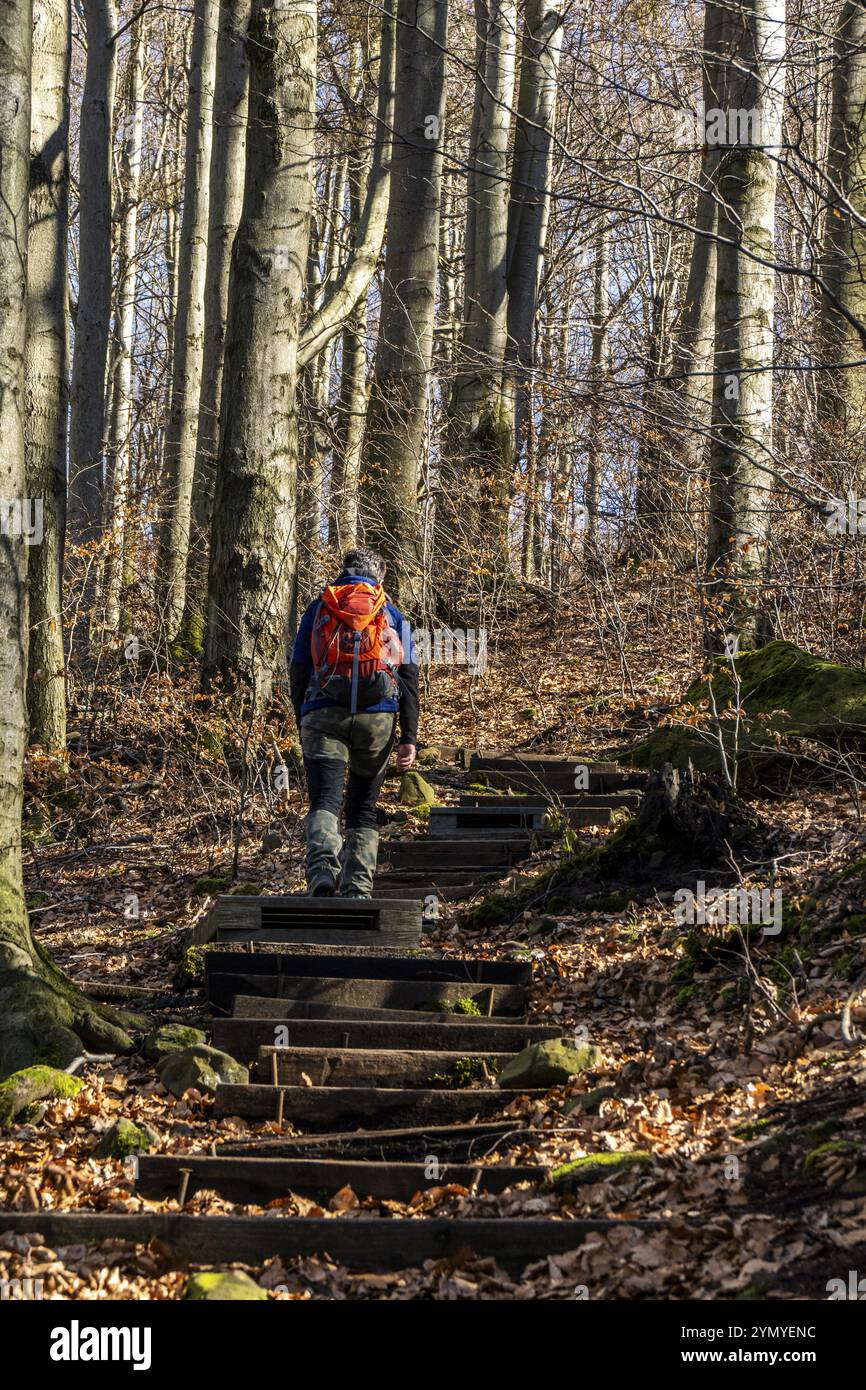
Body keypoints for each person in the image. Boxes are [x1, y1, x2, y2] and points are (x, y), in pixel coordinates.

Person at [289, 548, 419, 897]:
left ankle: (321, 873)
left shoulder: (320, 608)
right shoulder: (393, 614)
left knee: (325, 801)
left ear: (343, 572)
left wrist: (303, 713)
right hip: (377, 718)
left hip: (322, 712)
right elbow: (408, 678)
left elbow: (299, 668)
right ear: (381, 577)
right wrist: (410, 737)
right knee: (363, 807)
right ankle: (358, 888)